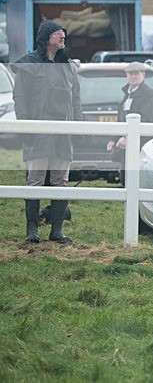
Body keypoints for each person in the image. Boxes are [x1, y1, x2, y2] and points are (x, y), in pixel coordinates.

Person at [11, 19, 83, 244]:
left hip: (64, 133)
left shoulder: (69, 66)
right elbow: (20, 98)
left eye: (64, 33)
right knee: (36, 180)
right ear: (46, 38)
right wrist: (25, 126)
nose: (62, 37)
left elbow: (76, 100)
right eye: (57, 33)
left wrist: (78, 126)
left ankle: (57, 230)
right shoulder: (29, 64)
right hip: (38, 132)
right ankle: (32, 230)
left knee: (61, 181)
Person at [106, 62, 153, 182]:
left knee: (137, 181)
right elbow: (121, 120)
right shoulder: (127, 95)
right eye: (130, 73)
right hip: (127, 149)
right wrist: (114, 139)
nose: (133, 76)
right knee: (126, 180)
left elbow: (149, 122)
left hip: (143, 149)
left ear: (143, 74)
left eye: (136, 73)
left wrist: (128, 139)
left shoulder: (150, 95)